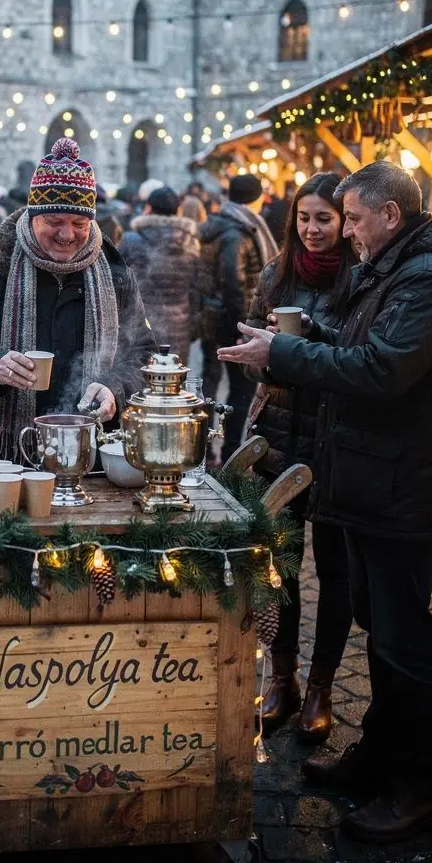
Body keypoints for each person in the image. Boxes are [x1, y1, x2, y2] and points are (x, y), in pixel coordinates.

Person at [218, 161, 432, 842]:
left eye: (353, 218)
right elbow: (364, 348)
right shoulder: (396, 268)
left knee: (405, 641)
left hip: (403, 485)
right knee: (384, 638)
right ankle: (380, 758)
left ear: (389, 215)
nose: (345, 230)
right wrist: (298, 341)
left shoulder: (427, 278)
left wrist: (288, 355)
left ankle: (416, 789)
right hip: (376, 478)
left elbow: (383, 371)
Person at [0, 138, 156, 458]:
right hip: (7, 457)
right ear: (33, 217)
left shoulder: (115, 274)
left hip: (95, 453)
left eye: (79, 223)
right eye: (54, 222)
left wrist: (115, 388)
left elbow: (145, 353)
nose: (67, 234)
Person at [243, 174, 354, 741]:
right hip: (282, 434)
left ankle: (321, 687)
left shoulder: (361, 278)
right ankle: (282, 679)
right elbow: (255, 364)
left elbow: (362, 357)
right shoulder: (274, 273)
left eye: (325, 219)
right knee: (281, 564)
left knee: (335, 571)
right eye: (305, 219)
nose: (313, 230)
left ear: (345, 223)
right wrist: (260, 358)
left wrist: (312, 336)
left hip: (336, 441)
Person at [198, 173, 278, 459]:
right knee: (242, 388)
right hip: (233, 321)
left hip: (212, 317)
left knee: (210, 382)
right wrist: (243, 327)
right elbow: (234, 282)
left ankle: (205, 448)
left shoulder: (216, 224)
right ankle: (228, 452)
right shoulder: (238, 231)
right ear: (256, 199)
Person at [119, 185, 200, 359]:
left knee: (138, 380)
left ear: (148, 208)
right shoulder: (191, 243)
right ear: (178, 210)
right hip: (180, 326)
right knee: (173, 380)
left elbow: (118, 283)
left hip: (140, 326)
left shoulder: (132, 240)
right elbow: (197, 288)